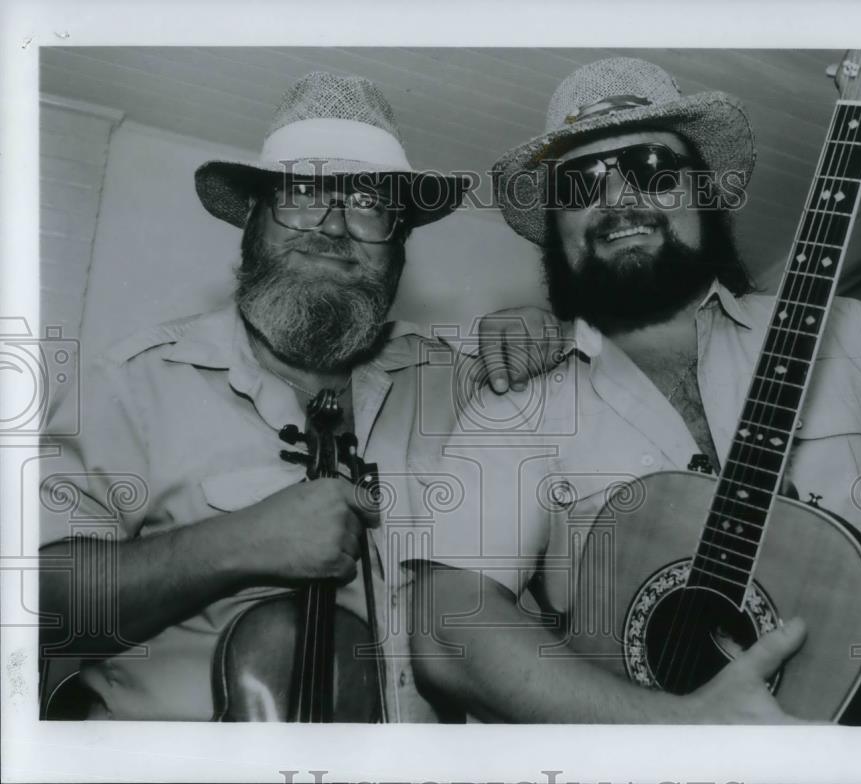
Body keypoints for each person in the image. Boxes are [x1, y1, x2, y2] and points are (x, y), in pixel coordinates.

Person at [407, 58, 861, 724]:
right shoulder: (514, 408)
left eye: (653, 170)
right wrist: (677, 728)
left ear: (702, 192)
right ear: (556, 224)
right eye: (582, 185)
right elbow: (449, 632)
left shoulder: (856, 337)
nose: (619, 201)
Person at [38, 71, 538, 721]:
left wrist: (554, 338)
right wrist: (237, 543)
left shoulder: (464, 384)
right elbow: (40, 609)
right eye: (303, 195)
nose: (332, 227)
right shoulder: (131, 382)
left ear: (400, 245)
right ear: (252, 219)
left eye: (367, 204)